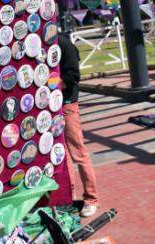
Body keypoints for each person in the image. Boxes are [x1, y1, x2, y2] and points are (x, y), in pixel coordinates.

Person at [57, 31, 99, 217]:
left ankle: (91, 198)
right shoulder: (38, 45)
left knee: (78, 152)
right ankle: (69, 197)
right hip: (48, 109)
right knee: (61, 155)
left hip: (67, 105)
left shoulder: (64, 44)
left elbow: (73, 75)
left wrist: (52, 86)